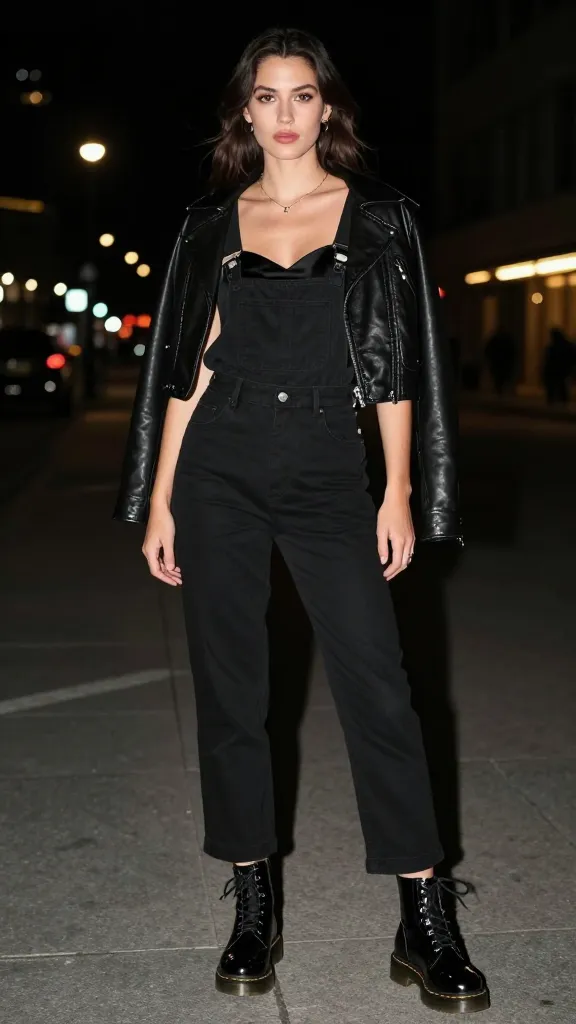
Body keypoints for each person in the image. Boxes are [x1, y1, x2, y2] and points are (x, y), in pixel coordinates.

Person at [114, 27, 489, 1014]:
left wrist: (396, 487)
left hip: (330, 467)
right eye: (267, 97)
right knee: (234, 693)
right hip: (220, 470)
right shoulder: (210, 224)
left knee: (382, 688)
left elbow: (397, 365)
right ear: (246, 110)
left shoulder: (375, 218)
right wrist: (160, 496)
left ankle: (424, 916)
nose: (285, 114)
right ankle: (252, 901)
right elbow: (188, 371)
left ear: (330, 109)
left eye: (303, 95)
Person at [542, 327, 575, 404]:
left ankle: (557, 402)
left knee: (559, 387)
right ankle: (559, 402)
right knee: (559, 387)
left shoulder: (555, 347)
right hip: (560, 370)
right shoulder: (565, 346)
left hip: (559, 370)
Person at [484, 329, 516, 394]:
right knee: (502, 376)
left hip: (498, 361)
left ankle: (500, 389)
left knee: (499, 376)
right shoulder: (507, 340)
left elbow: (488, 349)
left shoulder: (496, 340)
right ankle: (501, 389)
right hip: (501, 361)